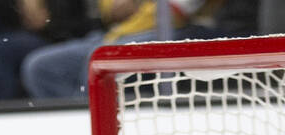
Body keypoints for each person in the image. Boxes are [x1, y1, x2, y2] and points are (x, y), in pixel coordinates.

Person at [21, 0, 260, 99]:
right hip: (118, 33)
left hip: (192, 32)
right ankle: (81, 126)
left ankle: (107, 132)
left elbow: (174, 12)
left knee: (104, 59)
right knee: (40, 67)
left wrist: (132, 16)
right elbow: (111, 9)